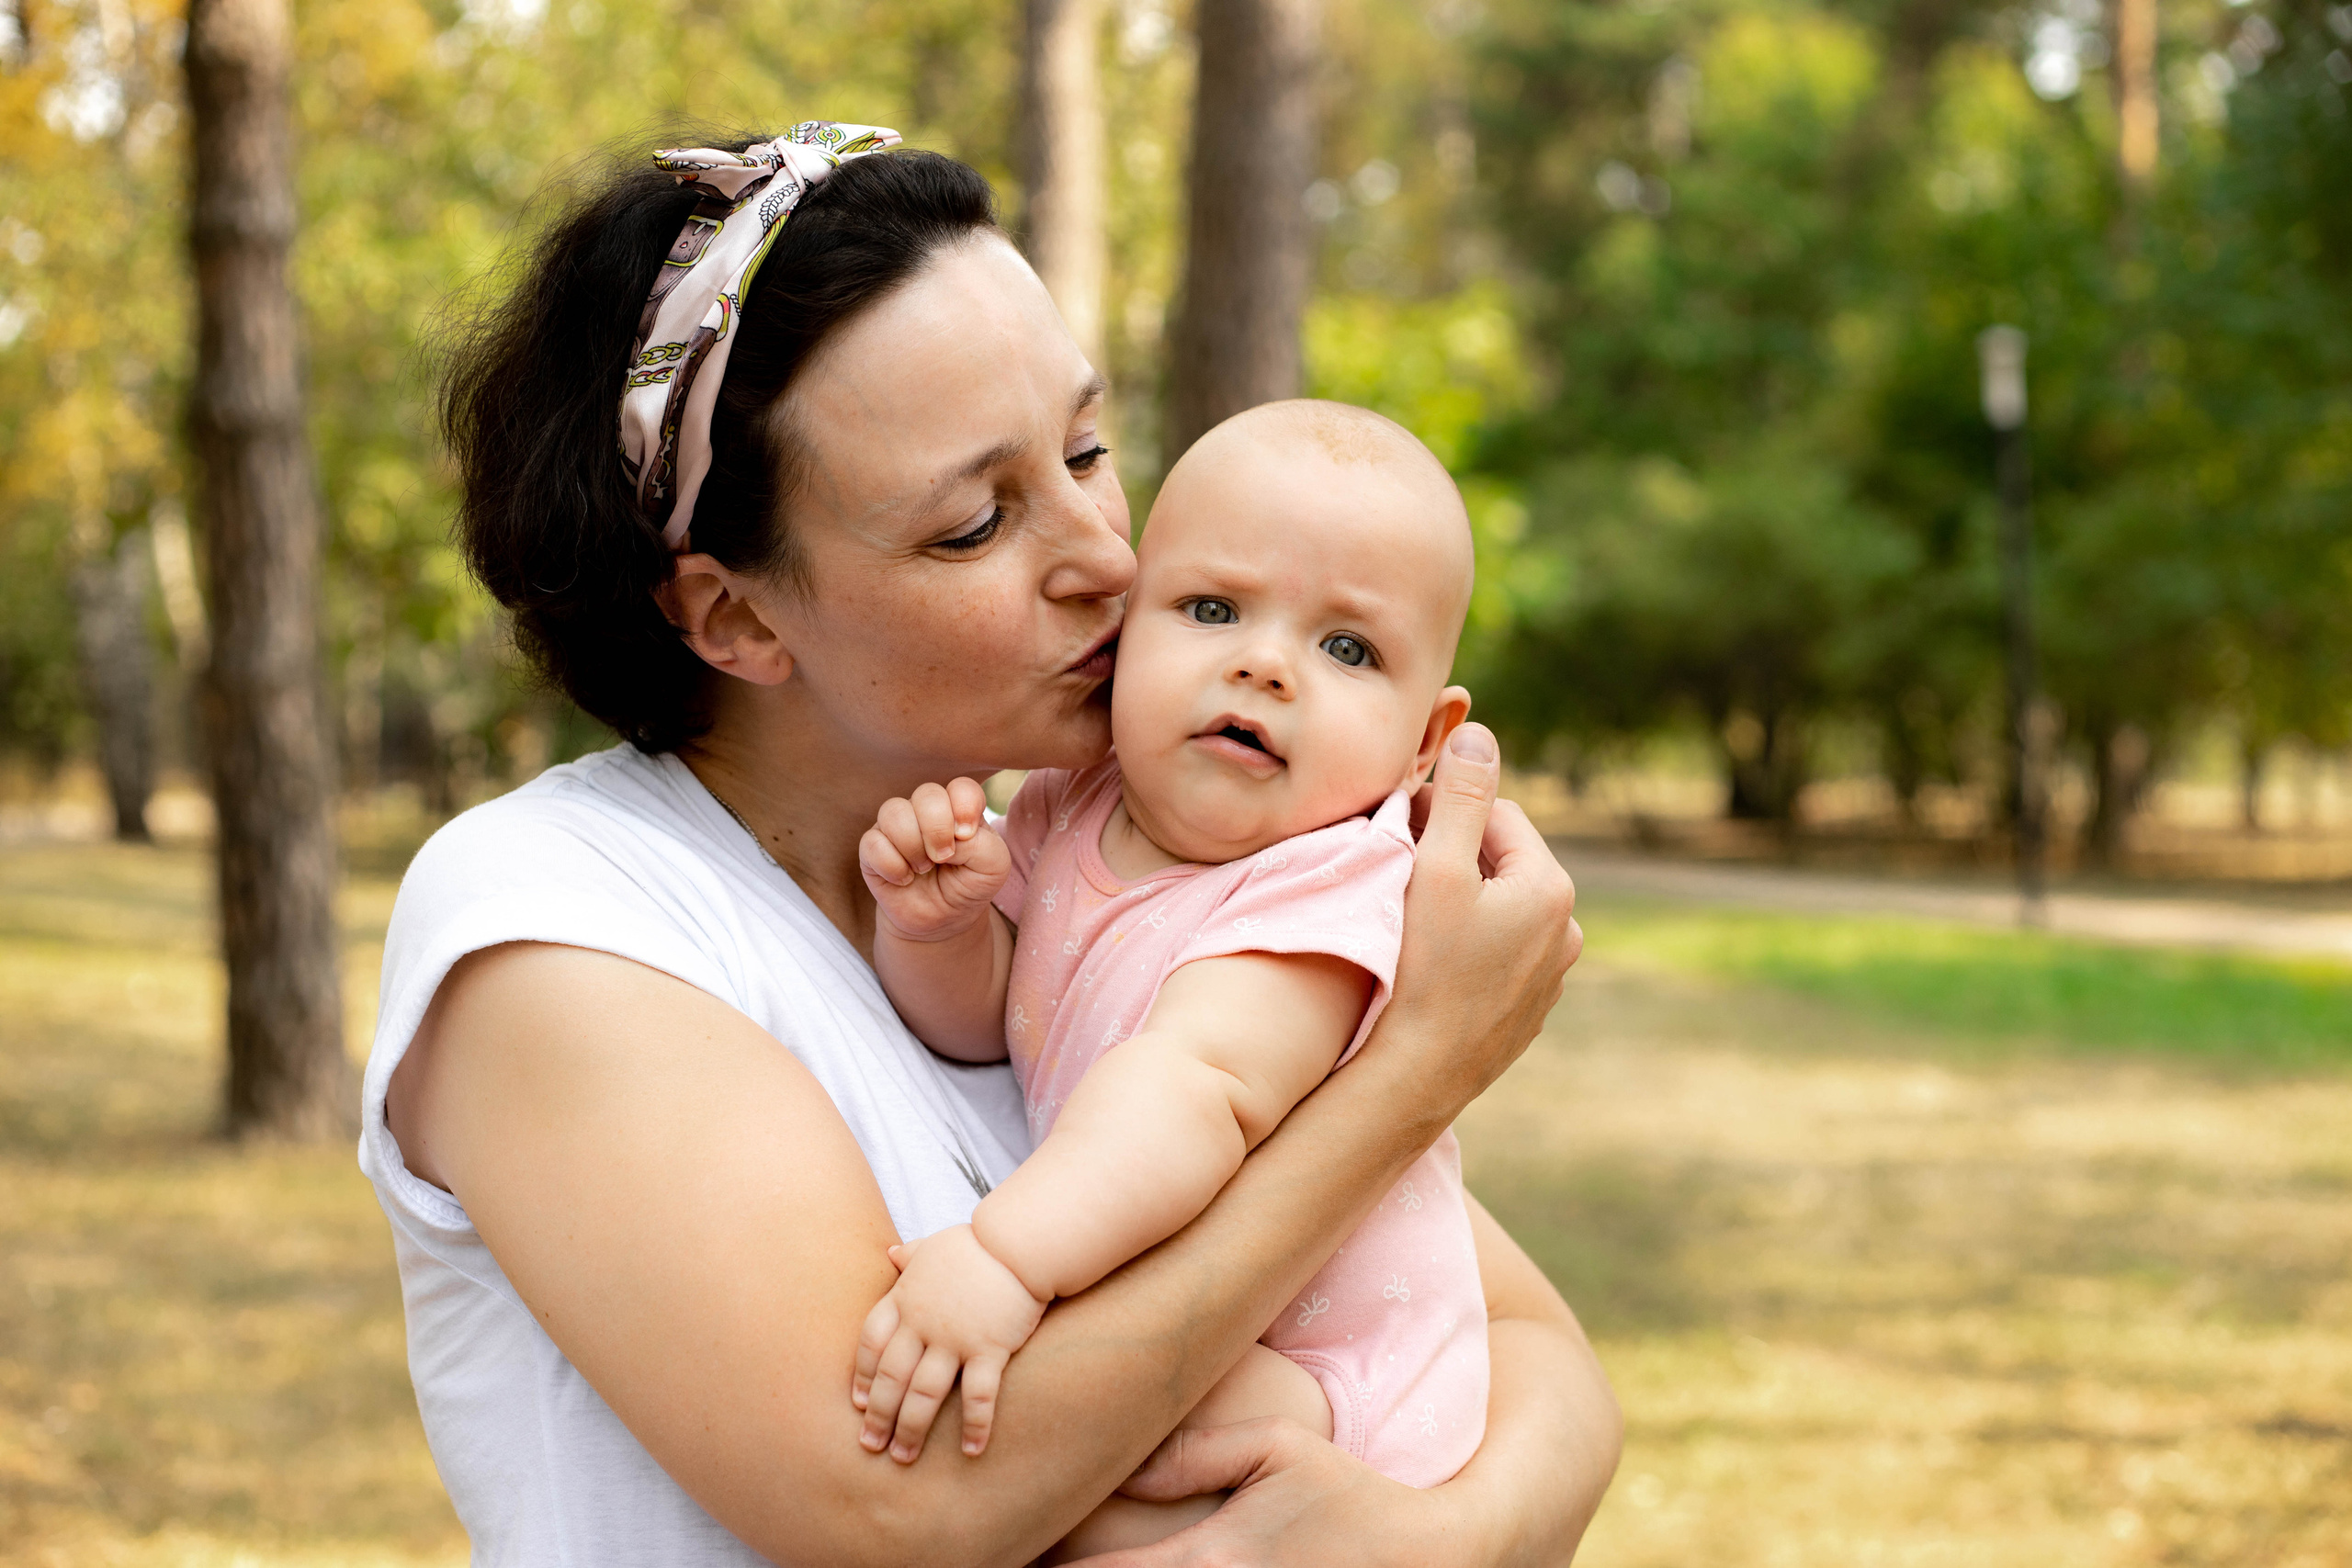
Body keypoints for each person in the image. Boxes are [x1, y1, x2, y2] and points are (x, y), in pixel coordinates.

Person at [366, 122, 1617, 1568]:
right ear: (738, 617)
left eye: (1088, 447)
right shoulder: (555, 924)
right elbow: (900, 1497)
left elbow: (1542, 1358)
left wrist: (1431, 1538)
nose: (1107, 554)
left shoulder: (1112, 867)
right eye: (977, 522)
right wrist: (1416, 1067)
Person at [852, 401, 1491, 1560]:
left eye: (1348, 649)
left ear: (1422, 746)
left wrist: (1004, 1259)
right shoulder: (1065, 808)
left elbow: (1192, 1091)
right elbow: (990, 1025)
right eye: (1211, 609)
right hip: (1196, 1311)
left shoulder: (1335, 885)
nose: (1265, 662)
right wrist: (938, 931)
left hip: (1321, 1371)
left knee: (1066, 1470)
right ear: (1124, 634)